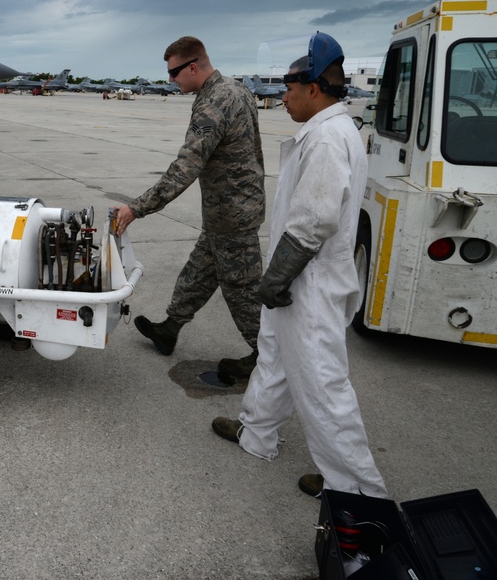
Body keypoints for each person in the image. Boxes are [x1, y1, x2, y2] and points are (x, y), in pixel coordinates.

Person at [211, 32, 387, 499]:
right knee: (274, 358)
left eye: (289, 87)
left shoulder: (328, 137)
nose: (282, 96)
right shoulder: (326, 130)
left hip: (308, 283)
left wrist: (276, 277)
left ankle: (357, 491)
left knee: (322, 385)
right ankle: (257, 433)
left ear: (313, 88)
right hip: (296, 278)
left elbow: (314, 220)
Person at [113, 36, 264, 380]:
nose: (171, 80)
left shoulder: (213, 105)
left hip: (233, 217)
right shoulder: (237, 89)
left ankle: (267, 358)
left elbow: (186, 167)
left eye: (174, 72)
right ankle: (170, 328)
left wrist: (137, 208)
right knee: (198, 272)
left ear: (193, 66)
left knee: (243, 292)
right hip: (231, 209)